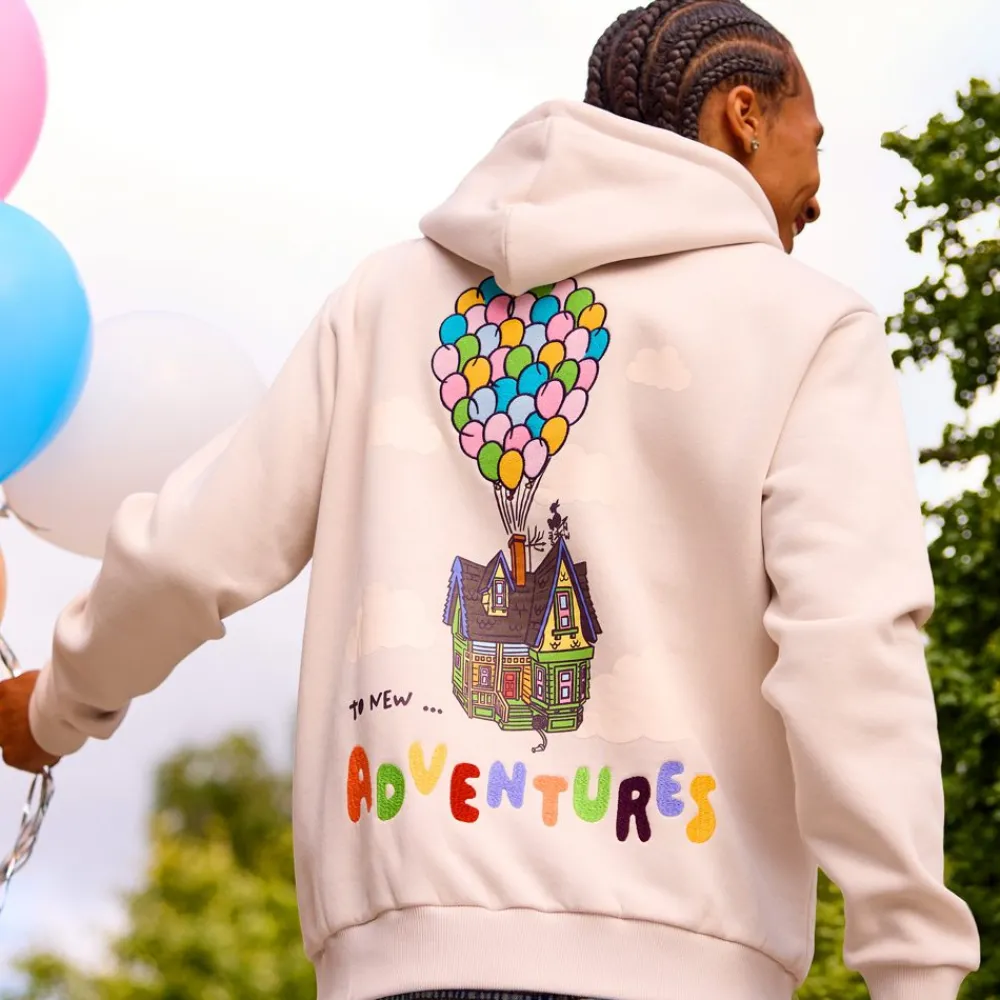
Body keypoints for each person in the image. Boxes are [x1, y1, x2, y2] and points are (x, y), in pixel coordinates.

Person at [0, 1, 981, 998]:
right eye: (814, 147)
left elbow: (188, 551)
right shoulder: (809, 326)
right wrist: (916, 965)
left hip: (400, 970)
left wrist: (57, 706)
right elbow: (851, 646)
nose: (812, 201)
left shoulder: (382, 301)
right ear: (745, 114)